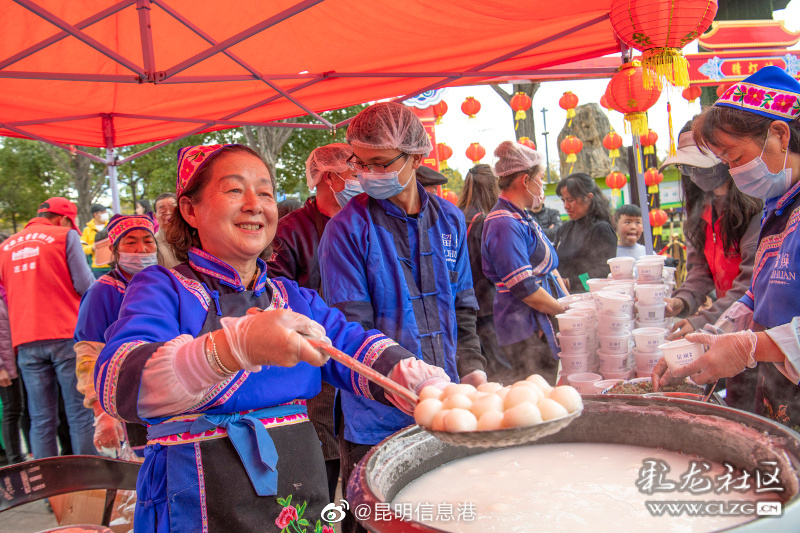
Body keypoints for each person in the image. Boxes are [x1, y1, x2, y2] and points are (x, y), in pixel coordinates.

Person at [95, 144, 447, 532]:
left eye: (265, 192)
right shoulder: (161, 288)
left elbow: (351, 346)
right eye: (234, 190)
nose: (254, 205)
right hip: (197, 496)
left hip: (299, 487)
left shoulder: (291, 297)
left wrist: (419, 379)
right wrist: (231, 348)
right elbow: (118, 382)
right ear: (190, 210)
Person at [317, 102, 484, 533]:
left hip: (447, 403)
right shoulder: (346, 230)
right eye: (360, 163)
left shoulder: (449, 220)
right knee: (377, 518)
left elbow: (463, 306)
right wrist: (407, 381)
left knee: (441, 514)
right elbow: (350, 328)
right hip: (375, 415)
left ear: (416, 156)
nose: (367, 173)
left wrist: (474, 369)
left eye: (380, 163)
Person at [653, 66, 800, 429]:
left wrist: (749, 347)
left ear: (780, 134)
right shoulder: (779, 207)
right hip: (780, 389)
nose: (733, 172)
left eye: (734, 157)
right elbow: (757, 294)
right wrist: (714, 335)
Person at [267, 143, 363, 502]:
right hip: (314, 360)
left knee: (363, 467)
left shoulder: (363, 222)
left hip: (357, 349)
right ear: (329, 177)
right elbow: (275, 298)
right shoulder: (289, 231)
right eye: (354, 173)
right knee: (322, 462)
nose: (360, 180)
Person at [0, 197, 96, 459]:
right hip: (65, 333)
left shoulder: (5, 246)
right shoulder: (64, 236)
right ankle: (88, 486)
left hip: (26, 341)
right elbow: (85, 284)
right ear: (64, 219)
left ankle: (52, 494)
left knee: (42, 418)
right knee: (79, 413)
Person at [481, 141, 568, 384]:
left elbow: (549, 268)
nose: (543, 185)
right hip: (524, 325)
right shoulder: (503, 223)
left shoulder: (520, 216)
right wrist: (565, 311)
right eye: (540, 178)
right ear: (525, 181)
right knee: (537, 390)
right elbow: (524, 287)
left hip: (539, 316)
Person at [74, 214, 158, 457]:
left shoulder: (164, 282)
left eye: (147, 241)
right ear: (114, 249)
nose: (141, 248)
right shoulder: (102, 291)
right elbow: (89, 353)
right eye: (130, 242)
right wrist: (101, 412)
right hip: (124, 399)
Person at [456, 164, 507, 377]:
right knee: (498, 370)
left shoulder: (457, 218)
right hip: (487, 309)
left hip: (462, 309)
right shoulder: (486, 222)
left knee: (473, 369)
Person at [553, 173, 618, 292]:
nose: (566, 206)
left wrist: (570, 283)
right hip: (564, 295)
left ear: (588, 197)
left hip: (590, 297)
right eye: (563, 200)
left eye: (570, 200)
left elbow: (605, 270)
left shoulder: (601, 229)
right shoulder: (564, 229)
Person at [82, 203, 112, 278]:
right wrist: (93, 248)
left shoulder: (111, 226)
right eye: (102, 213)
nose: (105, 214)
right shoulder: (87, 230)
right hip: (97, 268)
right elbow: (82, 248)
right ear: (95, 215)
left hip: (112, 265)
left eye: (105, 212)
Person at [153, 192, 180, 269]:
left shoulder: (193, 238)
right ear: (155, 216)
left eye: (173, 210)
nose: (168, 216)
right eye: (162, 212)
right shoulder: (153, 244)